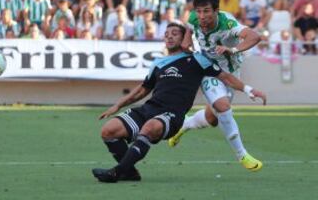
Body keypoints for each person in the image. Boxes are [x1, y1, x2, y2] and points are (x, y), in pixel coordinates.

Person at [92, 22, 267, 183]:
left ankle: (117, 172)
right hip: (148, 109)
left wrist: (249, 90)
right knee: (109, 131)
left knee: (149, 128)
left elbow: (226, 77)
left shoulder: (198, 59)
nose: (169, 36)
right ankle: (130, 172)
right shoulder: (158, 62)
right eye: (166, 34)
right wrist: (118, 105)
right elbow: (142, 89)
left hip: (172, 114)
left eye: (175, 33)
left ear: (184, 38)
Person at [169, 0, 263, 172]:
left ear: (216, 11)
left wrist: (233, 49)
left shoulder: (228, 23)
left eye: (206, 11)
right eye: (199, 11)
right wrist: (186, 44)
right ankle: (242, 154)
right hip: (208, 71)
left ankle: (184, 125)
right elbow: (189, 29)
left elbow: (254, 36)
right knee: (223, 107)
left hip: (231, 72)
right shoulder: (194, 18)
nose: (202, 16)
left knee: (212, 118)